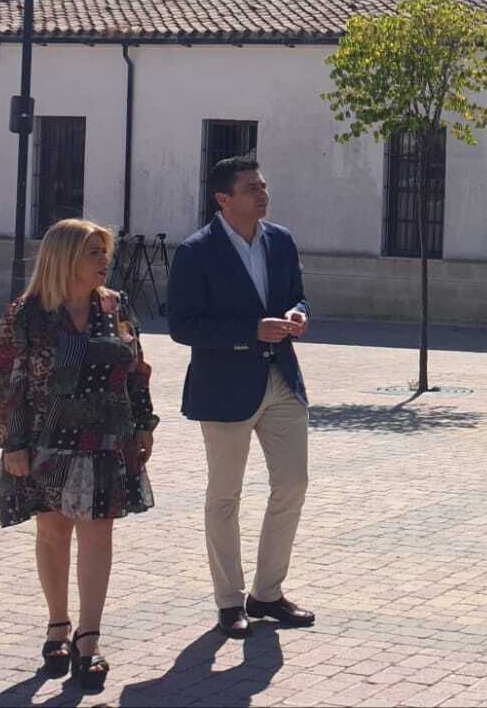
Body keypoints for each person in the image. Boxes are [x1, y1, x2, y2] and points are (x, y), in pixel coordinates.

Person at [0, 218, 158, 692]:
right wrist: (13, 443)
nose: (104, 260)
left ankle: (89, 640)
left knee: (99, 532)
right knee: (52, 531)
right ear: (64, 258)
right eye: (93, 252)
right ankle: (57, 627)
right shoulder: (27, 314)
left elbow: (136, 369)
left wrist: (144, 424)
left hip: (106, 438)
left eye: (105, 251)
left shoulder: (115, 305)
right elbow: (8, 384)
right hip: (44, 440)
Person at [167, 155, 315, 638]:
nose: (262, 193)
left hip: (282, 382)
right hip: (225, 388)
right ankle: (229, 602)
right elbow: (182, 326)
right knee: (224, 496)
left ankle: (267, 594)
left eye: (263, 185)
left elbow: (299, 294)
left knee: (292, 484)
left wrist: (296, 313)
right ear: (223, 198)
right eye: (250, 187)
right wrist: (250, 331)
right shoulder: (196, 251)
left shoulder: (282, 240)